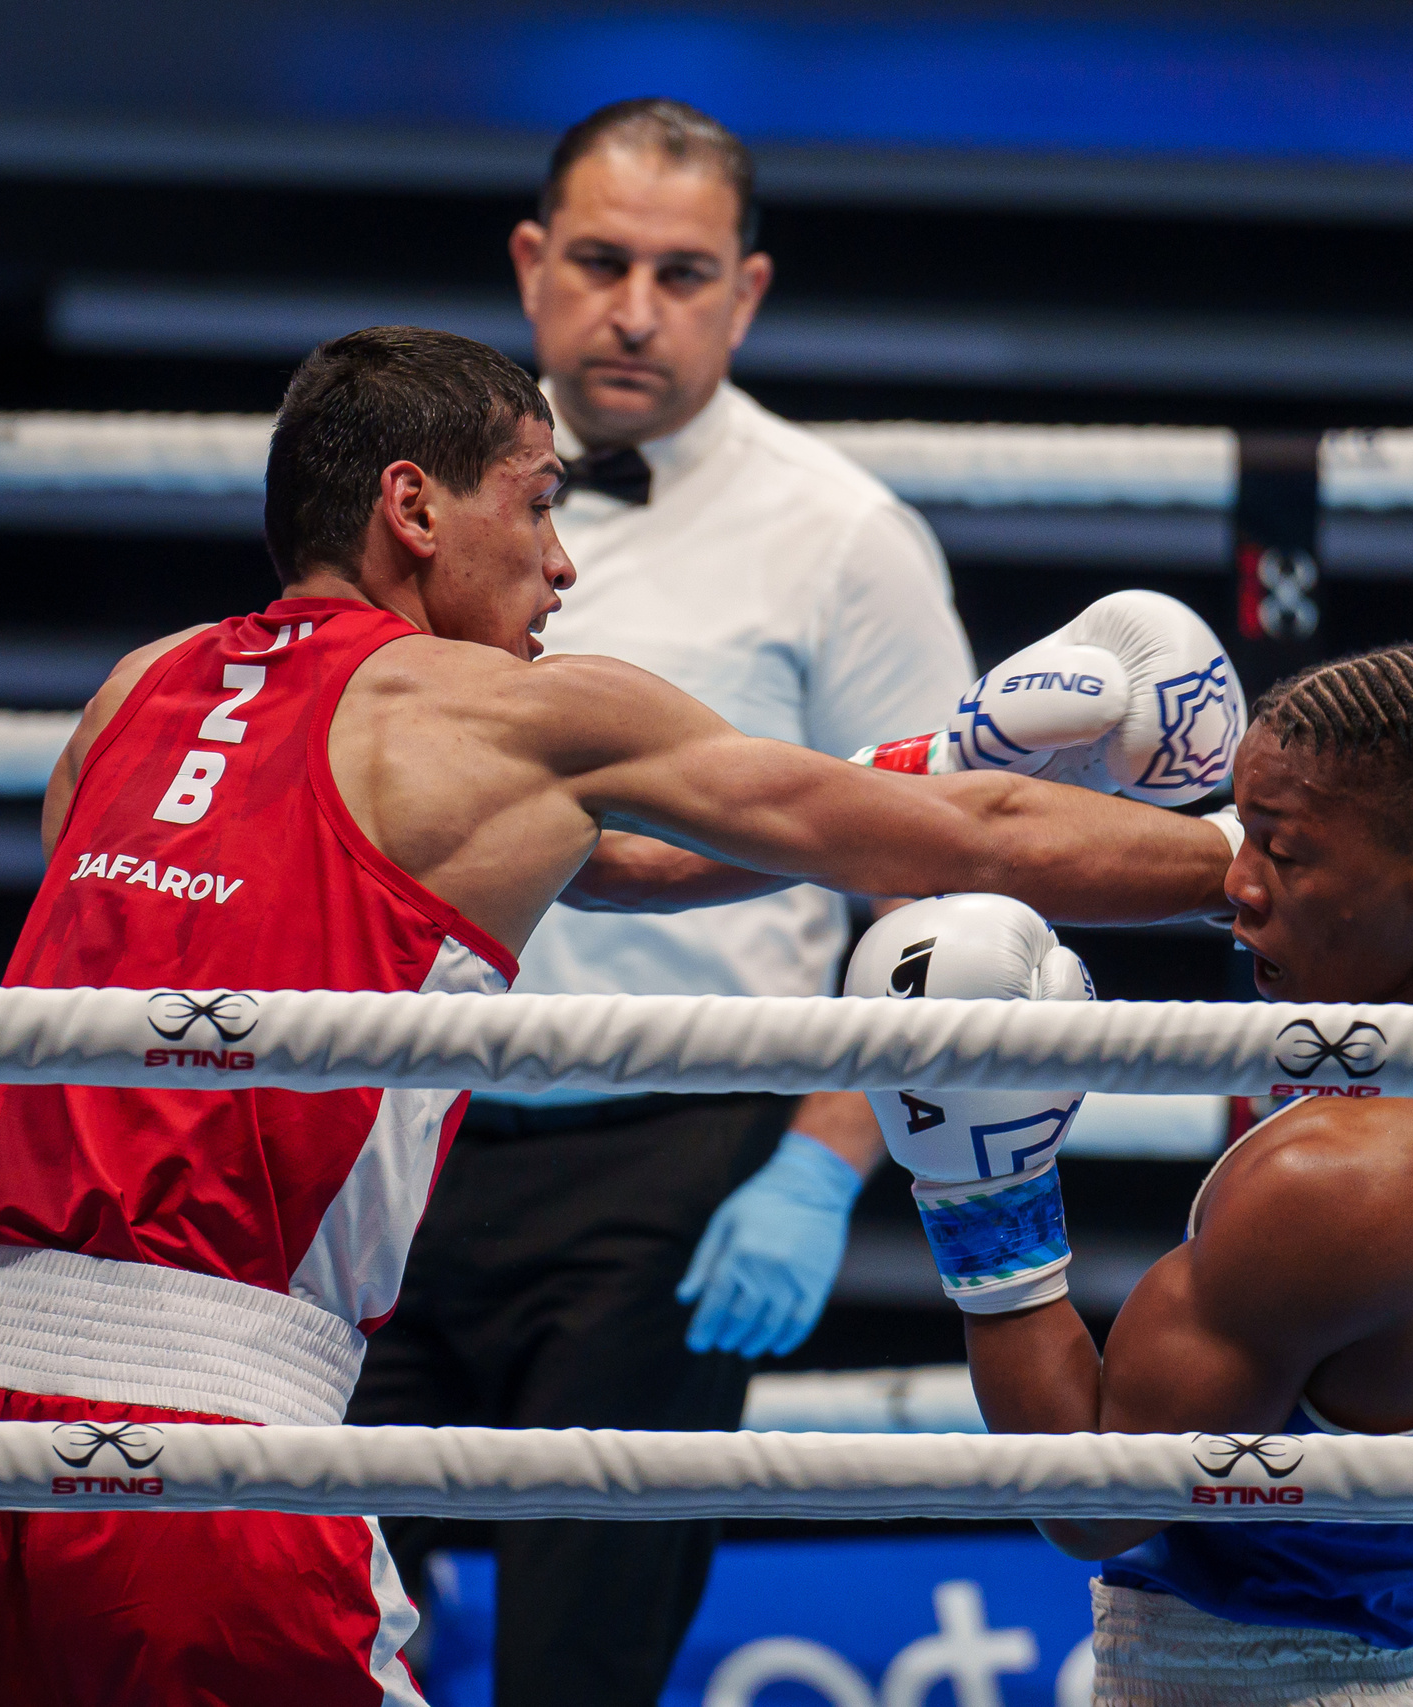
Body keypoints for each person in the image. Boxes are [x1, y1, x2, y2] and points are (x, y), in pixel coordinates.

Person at [0, 325, 1246, 1707]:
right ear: (413, 505)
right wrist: (1263, 875)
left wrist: (934, 744)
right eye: (537, 508)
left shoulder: (133, 690)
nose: (562, 565)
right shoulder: (509, 716)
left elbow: (634, 857)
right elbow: (964, 842)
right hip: (207, 1431)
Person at [347, 97, 977, 1705]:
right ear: (532, 261)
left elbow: (944, 860)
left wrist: (826, 1161)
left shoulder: (841, 535)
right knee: (295, 1615)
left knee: (587, 1657)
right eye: (606, 261)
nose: (636, 309)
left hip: (678, 1148)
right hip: (395, 1125)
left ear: (745, 294)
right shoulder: (397, 497)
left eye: (682, 273)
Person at [846, 642, 1413, 1707]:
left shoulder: (1342, 1180)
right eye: (1239, 832)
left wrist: (978, 1181)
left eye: (1283, 853)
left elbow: (1094, 1503)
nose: (1234, 886)